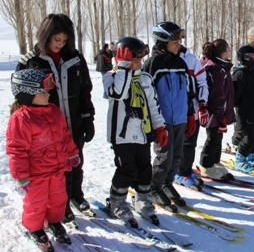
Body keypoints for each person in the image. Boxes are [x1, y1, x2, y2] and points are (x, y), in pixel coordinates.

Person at [16, 13, 95, 224]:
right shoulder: (30, 62)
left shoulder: (75, 58)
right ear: (46, 35)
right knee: (56, 171)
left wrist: (88, 118)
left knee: (76, 161)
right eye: (56, 39)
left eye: (65, 40)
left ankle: (76, 195)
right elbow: (21, 98)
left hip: (74, 122)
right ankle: (62, 205)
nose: (60, 44)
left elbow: (85, 91)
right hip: (47, 130)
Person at [6, 69, 80, 248]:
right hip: (36, 175)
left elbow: (64, 136)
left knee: (58, 199)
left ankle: (54, 222)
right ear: (27, 94)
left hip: (57, 169)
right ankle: (34, 228)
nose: (48, 94)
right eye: (42, 92)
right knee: (36, 204)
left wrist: (72, 153)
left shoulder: (53, 111)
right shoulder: (21, 119)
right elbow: (16, 150)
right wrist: (21, 176)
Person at [103, 37, 168, 227]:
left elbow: (153, 106)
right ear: (121, 58)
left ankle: (142, 200)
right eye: (135, 59)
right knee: (126, 170)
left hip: (142, 133)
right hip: (122, 136)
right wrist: (123, 68)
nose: (138, 64)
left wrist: (160, 126)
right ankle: (117, 202)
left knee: (145, 169)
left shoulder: (145, 79)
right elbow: (118, 93)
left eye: (140, 60)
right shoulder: (111, 77)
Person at [142, 21, 196, 211]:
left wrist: (190, 115)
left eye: (179, 40)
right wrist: (152, 122)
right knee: (164, 156)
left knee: (177, 155)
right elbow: (145, 96)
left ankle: (167, 183)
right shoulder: (152, 64)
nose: (178, 44)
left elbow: (188, 91)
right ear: (163, 40)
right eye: (175, 40)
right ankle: (154, 186)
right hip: (162, 121)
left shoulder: (180, 62)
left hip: (180, 117)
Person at [197, 39, 236, 179]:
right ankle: (206, 165)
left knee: (217, 138)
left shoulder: (221, 67)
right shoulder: (215, 69)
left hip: (220, 112)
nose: (231, 51)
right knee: (212, 138)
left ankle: (215, 162)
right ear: (224, 52)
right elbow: (217, 95)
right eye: (229, 48)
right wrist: (220, 116)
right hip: (215, 113)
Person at [175, 39, 209, 190]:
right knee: (177, 143)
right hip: (175, 111)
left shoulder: (191, 59)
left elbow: (202, 81)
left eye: (178, 41)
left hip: (192, 110)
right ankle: (179, 171)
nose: (176, 44)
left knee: (190, 142)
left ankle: (185, 169)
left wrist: (202, 104)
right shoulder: (165, 60)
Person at [232, 45, 254, 174]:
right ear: (244, 58)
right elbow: (235, 97)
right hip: (246, 114)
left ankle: (249, 157)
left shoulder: (252, 72)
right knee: (248, 139)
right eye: (251, 57)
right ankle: (240, 159)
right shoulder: (240, 74)